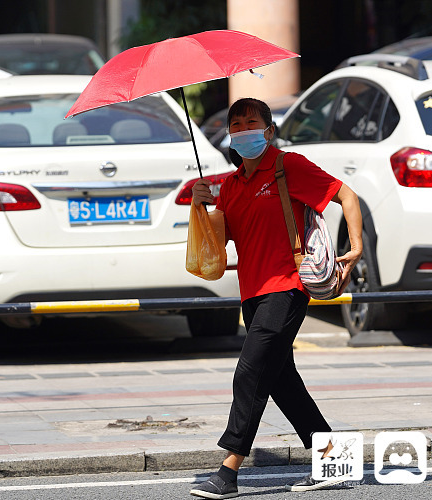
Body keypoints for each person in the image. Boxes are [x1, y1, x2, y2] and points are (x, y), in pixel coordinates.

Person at [189, 98, 363, 499]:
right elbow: (216, 248)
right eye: (237, 124)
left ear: (269, 130)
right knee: (282, 381)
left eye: (253, 122)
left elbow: (346, 195)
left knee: (249, 373)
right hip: (251, 293)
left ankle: (228, 469)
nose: (244, 129)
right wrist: (202, 206)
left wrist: (354, 249)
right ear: (230, 136)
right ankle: (335, 459)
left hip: (287, 288)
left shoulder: (289, 167)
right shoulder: (230, 187)